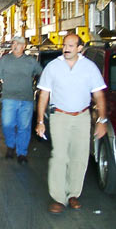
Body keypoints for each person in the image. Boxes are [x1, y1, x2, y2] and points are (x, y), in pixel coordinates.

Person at [35, 33, 107, 214]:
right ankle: (58, 198)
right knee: (59, 156)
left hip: (82, 117)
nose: (66, 48)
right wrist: (40, 121)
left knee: (79, 156)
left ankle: (73, 194)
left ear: (80, 48)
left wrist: (102, 120)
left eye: (71, 46)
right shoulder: (53, 67)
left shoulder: (89, 68)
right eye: (64, 45)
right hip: (60, 116)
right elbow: (44, 94)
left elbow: (99, 95)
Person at [0, 36, 42, 164]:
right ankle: (10, 145)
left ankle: (22, 153)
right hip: (9, 98)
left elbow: (42, 73)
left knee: (24, 126)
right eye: (13, 43)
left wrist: (41, 88)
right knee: (8, 124)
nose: (15, 45)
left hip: (26, 99)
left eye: (18, 43)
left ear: (24, 46)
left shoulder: (31, 61)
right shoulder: (5, 60)